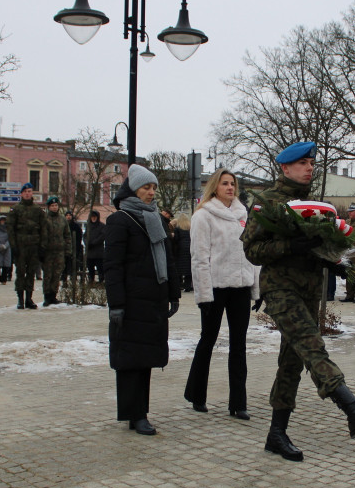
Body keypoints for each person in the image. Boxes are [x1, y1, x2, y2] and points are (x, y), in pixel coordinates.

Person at [242, 141, 355, 462]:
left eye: (311, 163)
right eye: (303, 163)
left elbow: (315, 247)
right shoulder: (268, 203)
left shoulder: (312, 204)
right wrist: (290, 246)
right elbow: (252, 251)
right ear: (285, 168)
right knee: (311, 346)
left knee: (292, 362)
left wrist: (331, 259)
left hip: (309, 289)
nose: (309, 168)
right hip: (280, 289)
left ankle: (276, 435)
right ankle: (352, 409)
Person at [104, 165, 180, 436]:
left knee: (145, 357)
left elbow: (167, 259)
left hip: (153, 300)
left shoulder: (156, 219)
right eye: (146, 187)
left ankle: (140, 412)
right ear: (133, 188)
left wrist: (173, 293)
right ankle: (135, 415)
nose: (151, 192)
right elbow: (112, 267)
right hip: (131, 301)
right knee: (130, 359)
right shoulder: (119, 220)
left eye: (154, 188)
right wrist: (117, 304)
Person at [183, 169, 259, 419]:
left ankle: (238, 403)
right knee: (208, 340)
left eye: (233, 183)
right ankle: (196, 395)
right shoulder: (203, 215)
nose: (230, 187)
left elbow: (251, 252)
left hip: (240, 287)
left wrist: (256, 288)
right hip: (215, 287)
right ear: (214, 186)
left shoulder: (242, 213)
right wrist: (203, 295)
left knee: (239, 344)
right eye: (225, 183)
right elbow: (199, 257)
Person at [8, 183, 46, 309]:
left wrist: (42, 246)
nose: (28, 193)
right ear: (21, 194)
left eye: (30, 191)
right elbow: (10, 229)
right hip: (20, 246)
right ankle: (20, 299)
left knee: (31, 273)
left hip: (34, 246)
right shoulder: (15, 209)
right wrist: (13, 246)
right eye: (25, 192)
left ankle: (29, 298)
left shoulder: (38, 210)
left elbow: (43, 229)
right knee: (20, 273)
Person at [40, 196, 72, 306]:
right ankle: (47, 296)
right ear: (48, 207)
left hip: (60, 251)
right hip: (48, 251)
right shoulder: (45, 219)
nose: (54, 207)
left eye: (56, 205)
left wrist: (68, 251)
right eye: (52, 206)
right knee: (48, 274)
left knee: (57, 274)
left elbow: (67, 235)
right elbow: (41, 235)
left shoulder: (62, 219)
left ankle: (53, 295)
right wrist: (42, 251)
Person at [172, 213, 193, 292]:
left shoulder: (177, 228)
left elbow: (176, 239)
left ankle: (179, 285)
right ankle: (188, 286)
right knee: (188, 268)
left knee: (179, 268)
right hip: (190, 248)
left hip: (180, 249)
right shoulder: (190, 227)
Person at [63, 210, 83, 286]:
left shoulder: (76, 226)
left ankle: (73, 281)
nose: (68, 217)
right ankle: (64, 281)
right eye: (67, 215)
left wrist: (76, 248)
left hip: (74, 249)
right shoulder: (63, 225)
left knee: (73, 266)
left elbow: (79, 238)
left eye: (69, 215)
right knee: (64, 266)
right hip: (64, 249)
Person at [84, 210, 105, 283]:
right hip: (89, 252)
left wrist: (93, 243)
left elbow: (102, 237)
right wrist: (86, 243)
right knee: (90, 268)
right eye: (92, 217)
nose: (93, 218)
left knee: (100, 268)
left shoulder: (102, 226)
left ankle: (101, 281)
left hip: (98, 252)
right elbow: (85, 236)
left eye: (95, 217)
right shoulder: (88, 225)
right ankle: (91, 281)